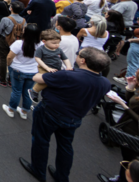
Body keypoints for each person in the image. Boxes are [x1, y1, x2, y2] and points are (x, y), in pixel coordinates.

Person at [19, 47, 111, 182]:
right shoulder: (105, 83)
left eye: (78, 55)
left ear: (83, 61)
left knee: (41, 140)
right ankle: (62, 177)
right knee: (65, 147)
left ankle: (38, 171)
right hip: (75, 118)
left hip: (50, 112)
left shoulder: (68, 75)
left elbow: (37, 77)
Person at [99, 69, 139, 182]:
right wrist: (131, 87)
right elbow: (131, 101)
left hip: (137, 134)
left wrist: (124, 106)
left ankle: (123, 179)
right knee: (126, 158)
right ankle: (121, 178)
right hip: (129, 130)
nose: (136, 80)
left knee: (131, 161)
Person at [2, 24, 40, 119]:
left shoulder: (19, 43)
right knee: (28, 92)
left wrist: (9, 64)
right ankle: (24, 112)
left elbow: (10, 57)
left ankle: (11, 109)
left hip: (18, 70)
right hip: (33, 71)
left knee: (16, 91)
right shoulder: (41, 45)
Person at [0, 1, 26, 87]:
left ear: (11, 8)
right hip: (17, 42)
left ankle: (2, 79)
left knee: (3, 59)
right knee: (14, 59)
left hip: (5, 40)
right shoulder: (23, 20)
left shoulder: (6, 19)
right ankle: (11, 79)